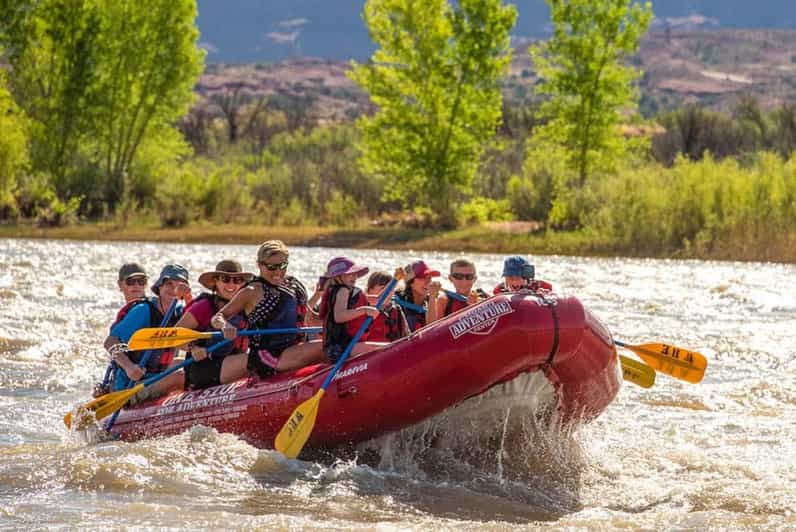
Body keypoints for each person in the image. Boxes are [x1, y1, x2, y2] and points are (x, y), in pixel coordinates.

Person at [212, 240, 324, 378]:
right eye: (271, 267)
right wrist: (225, 326)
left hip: (295, 348)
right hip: (269, 357)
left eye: (283, 266)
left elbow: (310, 318)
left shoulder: (292, 285)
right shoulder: (252, 291)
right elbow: (217, 318)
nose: (278, 272)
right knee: (326, 348)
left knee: (338, 344)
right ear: (259, 265)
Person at [167, 260, 253, 391]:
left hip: (230, 364)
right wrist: (193, 348)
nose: (231, 284)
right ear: (216, 282)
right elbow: (173, 336)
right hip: (202, 369)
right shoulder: (204, 306)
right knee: (252, 360)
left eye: (237, 280)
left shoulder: (247, 307)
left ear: (242, 284)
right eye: (225, 279)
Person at [103, 264, 191, 391]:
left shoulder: (180, 312)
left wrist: (188, 298)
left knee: (184, 364)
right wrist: (129, 367)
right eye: (169, 284)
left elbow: (197, 329)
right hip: (132, 384)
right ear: (159, 287)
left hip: (158, 376)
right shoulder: (142, 310)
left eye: (179, 286)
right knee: (181, 376)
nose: (174, 290)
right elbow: (110, 342)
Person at [318, 257, 383, 361]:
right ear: (338, 276)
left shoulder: (344, 291)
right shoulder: (342, 290)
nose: (354, 276)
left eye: (355, 273)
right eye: (350, 273)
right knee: (386, 348)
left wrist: (389, 292)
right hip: (341, 347)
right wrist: (364, 310)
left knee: (387, 346)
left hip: (341, 345)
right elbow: (339, 316)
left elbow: (373, 299)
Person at [394, 260, 440, 332]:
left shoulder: (431, 300)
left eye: (429, 278)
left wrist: (432, 298)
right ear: (411, 282)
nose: (428, 282)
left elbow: (432, 329)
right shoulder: (397, 300)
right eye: (422, 278)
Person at [364, 270, 407, 342]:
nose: (388, 293)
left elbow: (406, 335)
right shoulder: (363, 307)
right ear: (369, 291)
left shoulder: (396, 309)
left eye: (391, 289)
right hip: (371, 350)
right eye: (383, 289)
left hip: (395, 350)